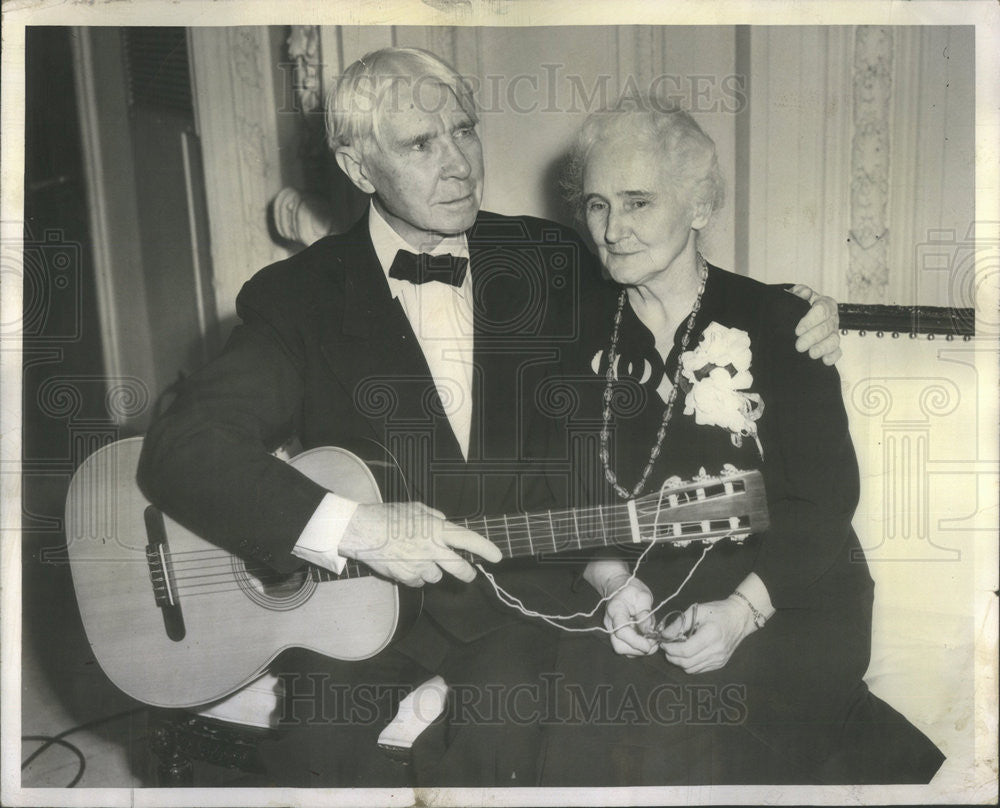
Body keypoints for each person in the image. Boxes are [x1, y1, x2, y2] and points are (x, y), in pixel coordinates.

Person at [136, 47, 841, 787]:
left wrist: (790, 312)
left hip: (522, 605)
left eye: (465, 130)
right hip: (353, 616)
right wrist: (357, 529)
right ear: (356, 167)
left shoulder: (548, 259)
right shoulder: (299, 297)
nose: (460, 164)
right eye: (420, 143)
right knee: (315, 759)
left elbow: (668, 289)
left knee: (517, 743)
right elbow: (183, 446)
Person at [533, 100, 946, 785]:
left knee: (699, 724)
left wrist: (743, 612)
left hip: (787, 591)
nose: (614, 229)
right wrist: (611, 582)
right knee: (575, 712)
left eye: (639, 202)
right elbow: (564, 491)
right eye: (598, 205)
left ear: (699, 206)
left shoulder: (782, 322)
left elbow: (825, 500)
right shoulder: (570, 334)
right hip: (641, 592)